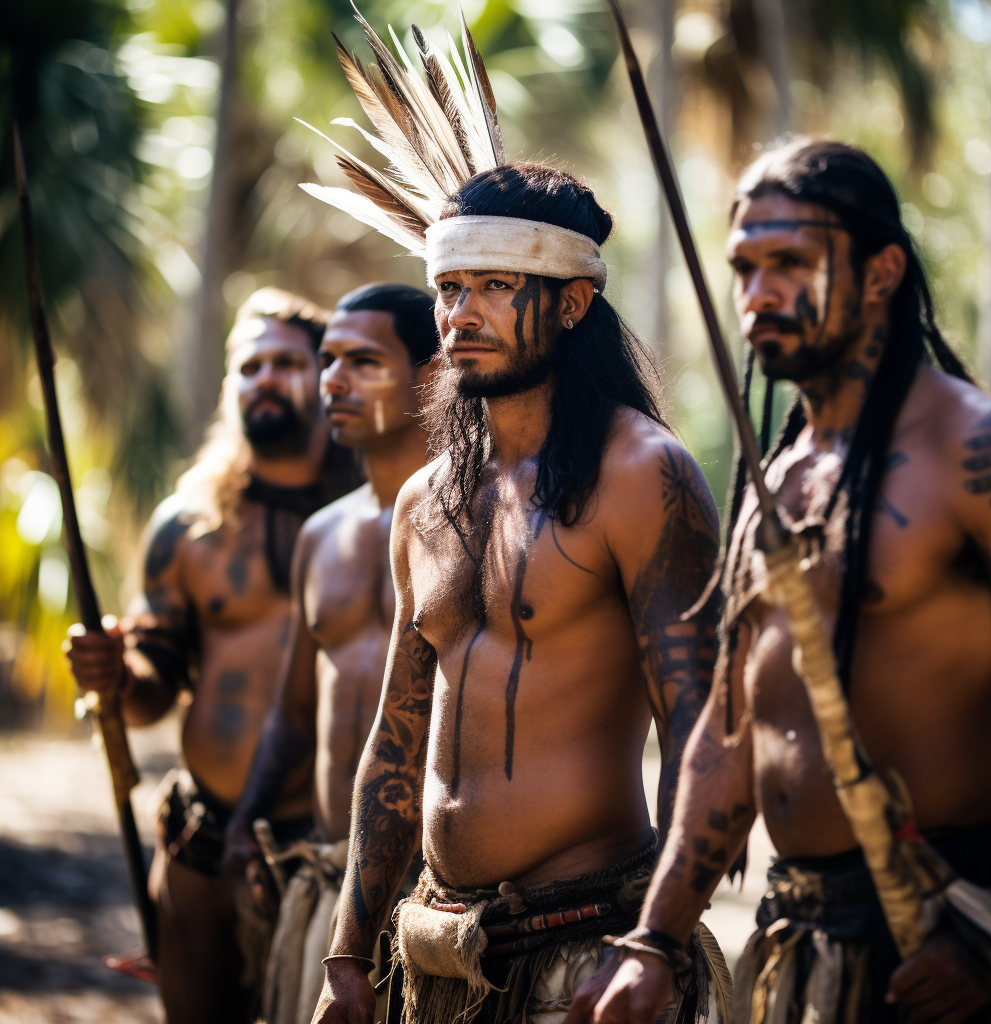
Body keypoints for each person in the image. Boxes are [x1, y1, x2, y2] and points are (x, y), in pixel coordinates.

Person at [570, 137, 991, 1024]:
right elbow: (731, 736)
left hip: (952, 934)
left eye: (791, 263)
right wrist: (656, 940)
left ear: (883, 271)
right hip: (804, 942)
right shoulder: (779, 479)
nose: (757, 295)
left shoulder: (974, 452)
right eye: (743, 267)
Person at [309, 157, 726, 1024]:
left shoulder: (643, 476)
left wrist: (654, 943)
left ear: (572, 303)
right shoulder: (426, 503)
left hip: (585, 950)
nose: (462, 314)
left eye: (496, 285)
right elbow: (395, 742)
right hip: (436, 952)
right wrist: (348, 956)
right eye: (449, 288)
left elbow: (704, 736)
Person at [63, 288, 362, 1024]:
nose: (264, 378)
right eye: (249, 365)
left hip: (342, 858)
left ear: (325, 377)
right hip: (206, 848)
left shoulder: (384, 509)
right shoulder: (188, 525)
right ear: (231, 387)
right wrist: (115, 676)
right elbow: (152, 693)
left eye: (286, 363)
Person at [221, 283, 440, 1024]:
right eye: (329, 360)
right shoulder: (323, 535)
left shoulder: (475, 524)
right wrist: (245, 823)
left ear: (432, 375)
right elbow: (292, 707)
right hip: (323, 877)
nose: (334, 381)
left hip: (433, 895)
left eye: (364, 361)